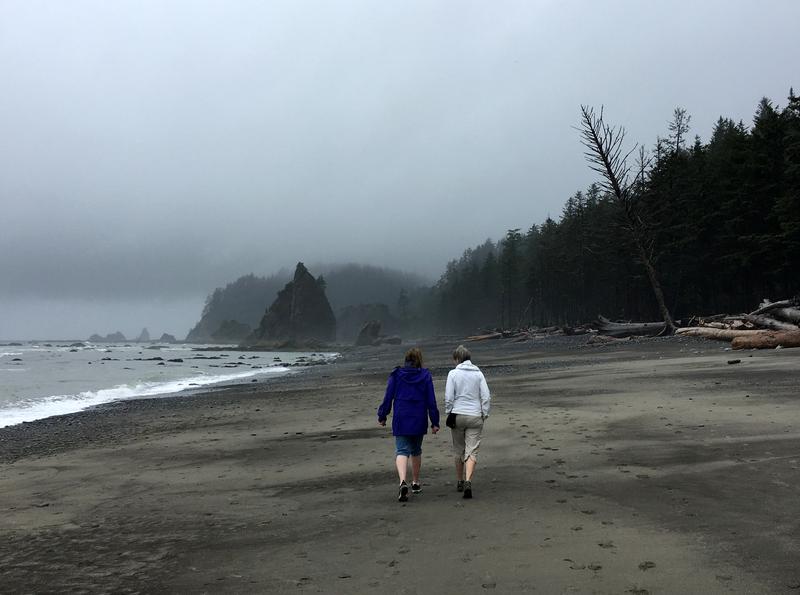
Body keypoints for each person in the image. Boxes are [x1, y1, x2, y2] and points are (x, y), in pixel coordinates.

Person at [378, 347, 440, 502]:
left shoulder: (396, 375)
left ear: (405, 360)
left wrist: (382, 415)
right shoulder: (425, 375)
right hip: (418, 417)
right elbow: (431, 400)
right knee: (416, 450)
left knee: (401, 450)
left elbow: (388, 397)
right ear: (419, 360)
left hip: (401, 416)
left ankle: (402, 481)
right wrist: (435, 422)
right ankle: (416, 482)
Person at [445, 344, 491, 499]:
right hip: (475, 416)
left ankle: (459, 480)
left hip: (457, 415)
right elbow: (486, 396)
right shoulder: (479, 374)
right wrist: (484, 413)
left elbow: (449, 397)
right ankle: (468, 480)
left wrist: (449, 411)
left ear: (457, 359)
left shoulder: (453, 374)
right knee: (472, 450)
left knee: (458, 449)